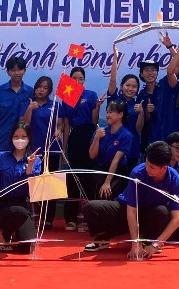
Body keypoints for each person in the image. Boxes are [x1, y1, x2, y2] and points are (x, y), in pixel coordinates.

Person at [82, 141, 179, 259]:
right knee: (90, 207)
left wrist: (156, 245)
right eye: (146, 163)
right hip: (127, 209)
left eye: (152, 167)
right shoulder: (137, 173)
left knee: (162, 212)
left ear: (163, 168)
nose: (147, 168)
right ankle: (104, 237)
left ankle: (148, 241)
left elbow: (177, 218)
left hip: (150, 214)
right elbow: (131, 211)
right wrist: (135, 243)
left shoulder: (175, 179)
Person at [0, 125, 41, 253]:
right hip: (1, 205)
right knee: (19, 212)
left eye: (23, 137)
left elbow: (32, 189)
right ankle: (5, 236)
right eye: (16, 136)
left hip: (22, 204)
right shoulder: (1, 157)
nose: (20, 140)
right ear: (11, 138)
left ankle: (16, 233)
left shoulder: (35, 160)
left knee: (26, 248)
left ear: (29, 139)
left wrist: (29, 167)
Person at [21, 75, 64, 229]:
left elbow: (60, 124)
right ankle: (35, 216)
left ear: (49, 90)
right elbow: (24, 124)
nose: (41, 90)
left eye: (45, 88)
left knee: (51, 185)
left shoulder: (56, 105)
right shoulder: (27, 103)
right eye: (39, 87)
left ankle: (48, 218)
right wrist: (30, 109)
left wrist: (59, 130)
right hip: (34, 150)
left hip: (52, 149)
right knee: (35, 184)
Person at [61, 66, 100, 232]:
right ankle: (70, 218)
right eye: (74, 78)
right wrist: (64, 148)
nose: (77, 81)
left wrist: (97, 107)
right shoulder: (66, 94)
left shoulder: (91, 95)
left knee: (88, 177)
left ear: (84, 80)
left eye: (80, 78)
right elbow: (66, 124)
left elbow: (94, 120)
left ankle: (88, 217)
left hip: (89, 135)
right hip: (74, 136)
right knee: (73, 176)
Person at [0, 54, 33, 154]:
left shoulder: (31, 93)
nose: (16, 73)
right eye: (13, 70)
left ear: (24, 71)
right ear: (8, 72)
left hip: (21, 142)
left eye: (20, 69)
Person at [106, 49, 146, 169]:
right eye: (127, 85)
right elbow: (113, 80)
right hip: (112, 145)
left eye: (134, 86)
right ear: (121, 86)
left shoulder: (138, 105)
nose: (130, 89)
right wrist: (115, 58)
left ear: (137, 90)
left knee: (127, 178)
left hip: (131, 148)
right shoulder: (114, 100)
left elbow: (138, 129)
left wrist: (141, 113)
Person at [89, 99, 133, 201]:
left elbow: (116, 161)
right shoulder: (101, 132)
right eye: (107, 112)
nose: (108, 115)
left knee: (106, 194)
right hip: (100, 170)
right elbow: (92, 155)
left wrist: (107, 182)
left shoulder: (126, 135)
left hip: (117, 173)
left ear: (120, 114)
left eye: (111, 112)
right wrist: (96, 138)